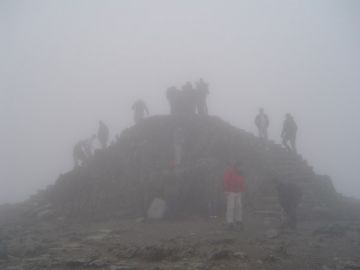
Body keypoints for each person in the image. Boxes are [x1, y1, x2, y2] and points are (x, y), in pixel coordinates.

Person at [223, 162, 245, 230]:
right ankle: (230, 222)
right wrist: (226, 190)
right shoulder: (230, 172)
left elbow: (242, 181)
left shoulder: (240, 173)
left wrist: (242, 189)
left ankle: (239, 220)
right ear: (237, 166)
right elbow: (226, 180)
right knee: (230, 207)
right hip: (231, 191)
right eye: (240, 166)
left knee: (239, 207)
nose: (241, 168)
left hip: (238, 192)